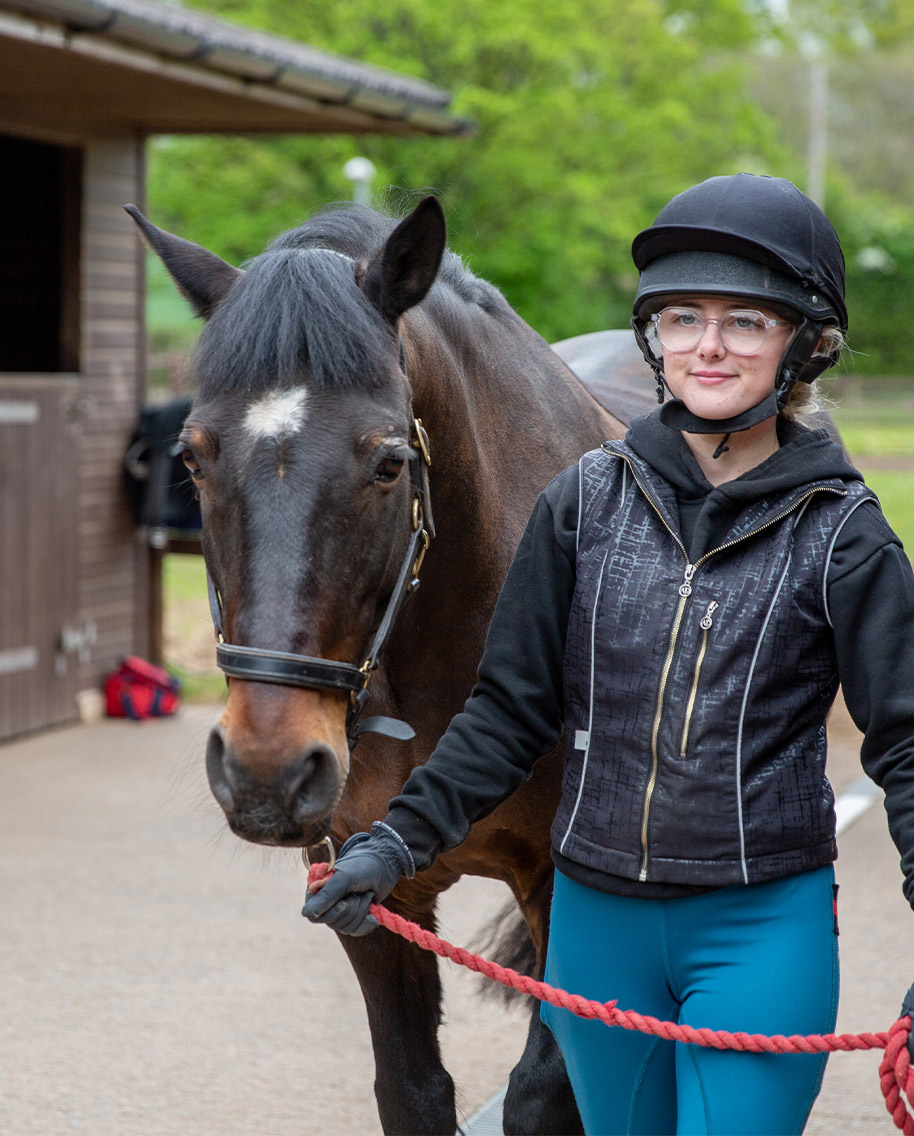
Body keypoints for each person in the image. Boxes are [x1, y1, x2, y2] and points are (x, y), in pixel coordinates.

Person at [303, 173, 914, 1135]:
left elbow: (909, 750)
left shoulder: (847, 536)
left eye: (745, 322)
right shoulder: (582, 503)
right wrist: (395, 843)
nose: (708, 346)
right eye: (682, 318)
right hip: (597, 931)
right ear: (653, 336)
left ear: (804, 342)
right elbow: (508, 712)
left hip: (759, 930)